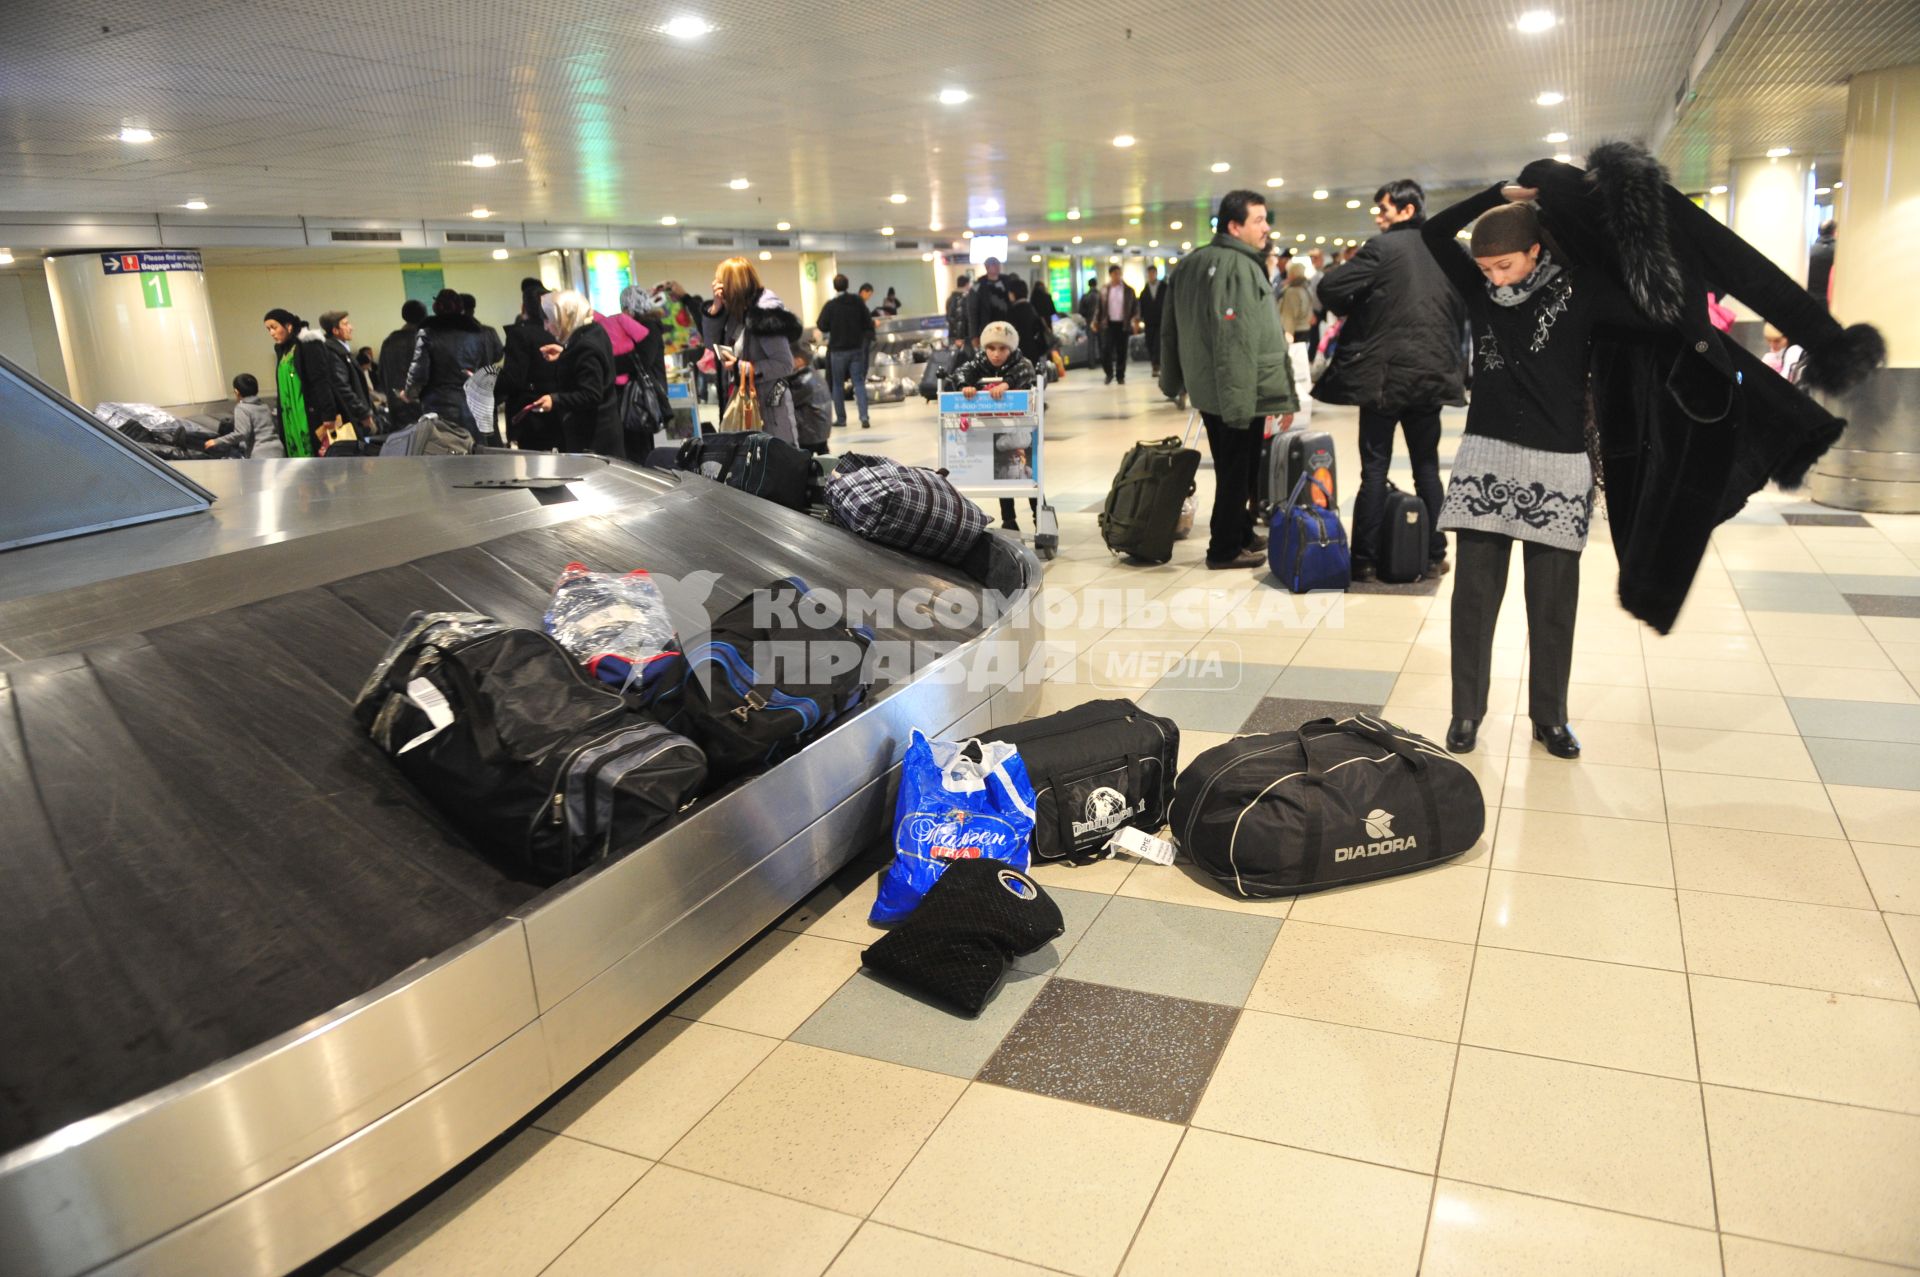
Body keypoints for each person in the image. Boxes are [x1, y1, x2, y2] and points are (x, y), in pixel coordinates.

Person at [1421, 184, 1668, 761]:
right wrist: (1493, 195)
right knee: (1474, 600)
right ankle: (1466, 712)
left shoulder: (1582, 289)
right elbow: (1435, 233)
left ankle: (1550, 719)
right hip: (1485, 462)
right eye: (1484, 268)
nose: (1495, 278)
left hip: (1558, 467)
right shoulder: (1480, 291)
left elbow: (1648, 304)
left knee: (1553, 605)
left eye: (1504, 264)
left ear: (1535, 251)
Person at [1313, 178, 1464, 581]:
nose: (1378, 216)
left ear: (1408, 210)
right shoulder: (1447, 250)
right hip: (1432, 376)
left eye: (1384, 209)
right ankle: (1434, 554)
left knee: (1375, 470)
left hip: (1384, 379)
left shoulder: (1383, 248)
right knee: (1427, 469)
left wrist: (1361, 300)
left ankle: (1363, 559)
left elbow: (1330, 288)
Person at [1159, 190, 1298, 570]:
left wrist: (1172, 379)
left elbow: (1168, 330)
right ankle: (1223, 547)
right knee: (1237, 468)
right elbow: (1233, 339)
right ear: (1234, 226)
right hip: (1237, 390)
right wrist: (1245, 402)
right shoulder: (1236, 267)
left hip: (1212, 387)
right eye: (1258, 220)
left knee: (1238, 464)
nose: (1266, 227)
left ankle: (1240, 533)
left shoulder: (1193, 264)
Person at [696, 256, 804, 445]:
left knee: (772, 467)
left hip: (767, 412)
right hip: (742, 404)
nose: (715, 285)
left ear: (731, 284)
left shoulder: (763, 314)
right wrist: (715, 310)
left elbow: (785, 364)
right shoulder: (734, 311)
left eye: (719, 281)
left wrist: (740, 368)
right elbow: (711, 344)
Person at [953, 321, 1039, 531]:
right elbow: (962, 372)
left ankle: (1039, 516)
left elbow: (1025, 371)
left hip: (1022, 430)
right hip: (996, 430)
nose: (996, 354)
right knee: (1003, 478)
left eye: (1002, 348)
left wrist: (1006, 383)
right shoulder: (980, 362)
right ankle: (1009, 519)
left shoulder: (1020, 362)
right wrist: (966, 386)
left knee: (1032, 478)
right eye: (991, 348)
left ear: (1011, 348)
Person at [527, 289, 622, 457]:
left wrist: (554, 399)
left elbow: (591, 394)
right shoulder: (593, 332)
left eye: (549, 319)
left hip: (594, 439)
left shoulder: (586, 346)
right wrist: (565, 354)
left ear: (565, 316)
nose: (546, 327)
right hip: (604, 431)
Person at [406, 288, 495, 438]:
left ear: (436, 307)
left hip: (437, 405)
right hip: (472, 405)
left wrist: (410, 393)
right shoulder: (477, 333)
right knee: (474, 454)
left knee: (442, 453)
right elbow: (486, 372)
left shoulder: (427, 333)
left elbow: (419, 374)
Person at [262, 308, 349, 458]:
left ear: (288, 326)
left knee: (320, 456)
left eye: (274, 327)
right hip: (291, 417)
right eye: (268, 329)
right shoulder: (282, 350)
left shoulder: (308, 344)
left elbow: (321, 381)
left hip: (309, 413)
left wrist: (328, 414)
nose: (271, 333)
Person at [499, 279, 563, 449]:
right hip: (560, 406)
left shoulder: (519, 335)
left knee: (537, 467)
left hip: (531, 411)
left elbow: (514, 378)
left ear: (523, 308)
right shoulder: (559, 330)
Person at [815, 272, 874, 429]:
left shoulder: (831, 305)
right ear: (847, 285)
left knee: (838, 385)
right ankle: (864, 417)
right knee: (859, 382)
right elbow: (867, 322)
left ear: (835, 287)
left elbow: (821, 324)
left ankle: (841, 419)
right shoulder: (857, 302)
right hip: (856, 349)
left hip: (838, 350)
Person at [315, 310, 374, 436]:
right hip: (350, 418)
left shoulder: (340, 351)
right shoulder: (334, 353)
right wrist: (362, 412)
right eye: (346, 324)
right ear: (335, 330)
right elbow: (343, 387)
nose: (351, 327)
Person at [203, 372, 283, 457]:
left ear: (236, 392)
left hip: (260, 454)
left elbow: (241, 433)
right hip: (278, 449)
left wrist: (217, 441)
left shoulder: (242, 408)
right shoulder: (264, 406)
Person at [377, 300, 427, 429]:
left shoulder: (389, 341)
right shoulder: (425, 340)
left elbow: (381, 373)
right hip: (423, 406)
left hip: (396, 405)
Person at [1090, 264, 1139, 385]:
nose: (1117, 276)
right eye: (1115, 273)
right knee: (1105, 349)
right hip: (1108, 324)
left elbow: (1135, 307)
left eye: (1119, 273)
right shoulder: (1104, 289)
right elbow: (1099, 308)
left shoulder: (1128, 290)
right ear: (1110, 275)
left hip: (1123, 324)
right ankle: (1109, 373)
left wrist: (1135, 319)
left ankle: (1120, 375)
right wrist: (1095, 321)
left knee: (1122, 351)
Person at [788, 336, 833, 455]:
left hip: (809, 432)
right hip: (820, 429)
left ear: (799, 360)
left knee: (804, 461)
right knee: (823, 457)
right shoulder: (812, 374)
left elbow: (790, 400)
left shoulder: (803, 381)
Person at [965, 257, 1013, 347]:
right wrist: (974, 335)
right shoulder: (978, 286)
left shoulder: (1007, 282)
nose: (997, 267)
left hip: (1006, 326)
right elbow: (972, 311)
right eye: (993, 264)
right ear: (986, 267)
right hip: (987, 327)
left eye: (998, 264)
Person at [1806, 218, 1836, 301]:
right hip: (1829, 299)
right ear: (1834, 232)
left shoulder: (1810, 250)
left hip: (1810, 294)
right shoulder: (1838, 252)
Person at [945, 273, 972, 348]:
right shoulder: (965, 299)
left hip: (952, 336)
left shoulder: (950, 299)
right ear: (967, 284)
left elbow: (948, 317)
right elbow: (963, 320)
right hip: (963, 337)